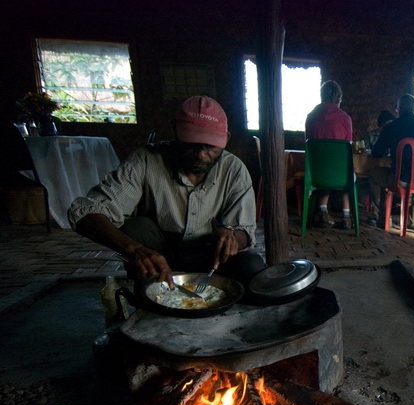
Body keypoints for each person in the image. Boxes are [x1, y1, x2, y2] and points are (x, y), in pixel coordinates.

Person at [68, 95, 265, 288]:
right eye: (191, 145)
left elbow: (245, 231)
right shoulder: (146, 160)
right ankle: (151, 288)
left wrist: (233, 239)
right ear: (175, 132)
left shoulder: (233, 169)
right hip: (157, 253)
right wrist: (135, 249)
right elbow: (87, 212)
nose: (200, 155)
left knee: (252, 264)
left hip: (208, 254)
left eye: (210, 147)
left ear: (226, 139)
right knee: (137, 228)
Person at [370, 94, 414, 228]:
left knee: (373, 175)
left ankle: (380, 217)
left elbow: (376, 152)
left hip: (401, 180)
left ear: (398, 110)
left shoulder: (392, 127)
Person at [304, 80, 353, 230]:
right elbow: (348, 147)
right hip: (340, 175)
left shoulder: (311, 117)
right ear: (339, 98)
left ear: (321, 96)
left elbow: (308, 145)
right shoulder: (345, 118)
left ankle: (322, 211)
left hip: (315, 174)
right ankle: (346, 216)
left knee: (325, 168)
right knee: (348, 171)